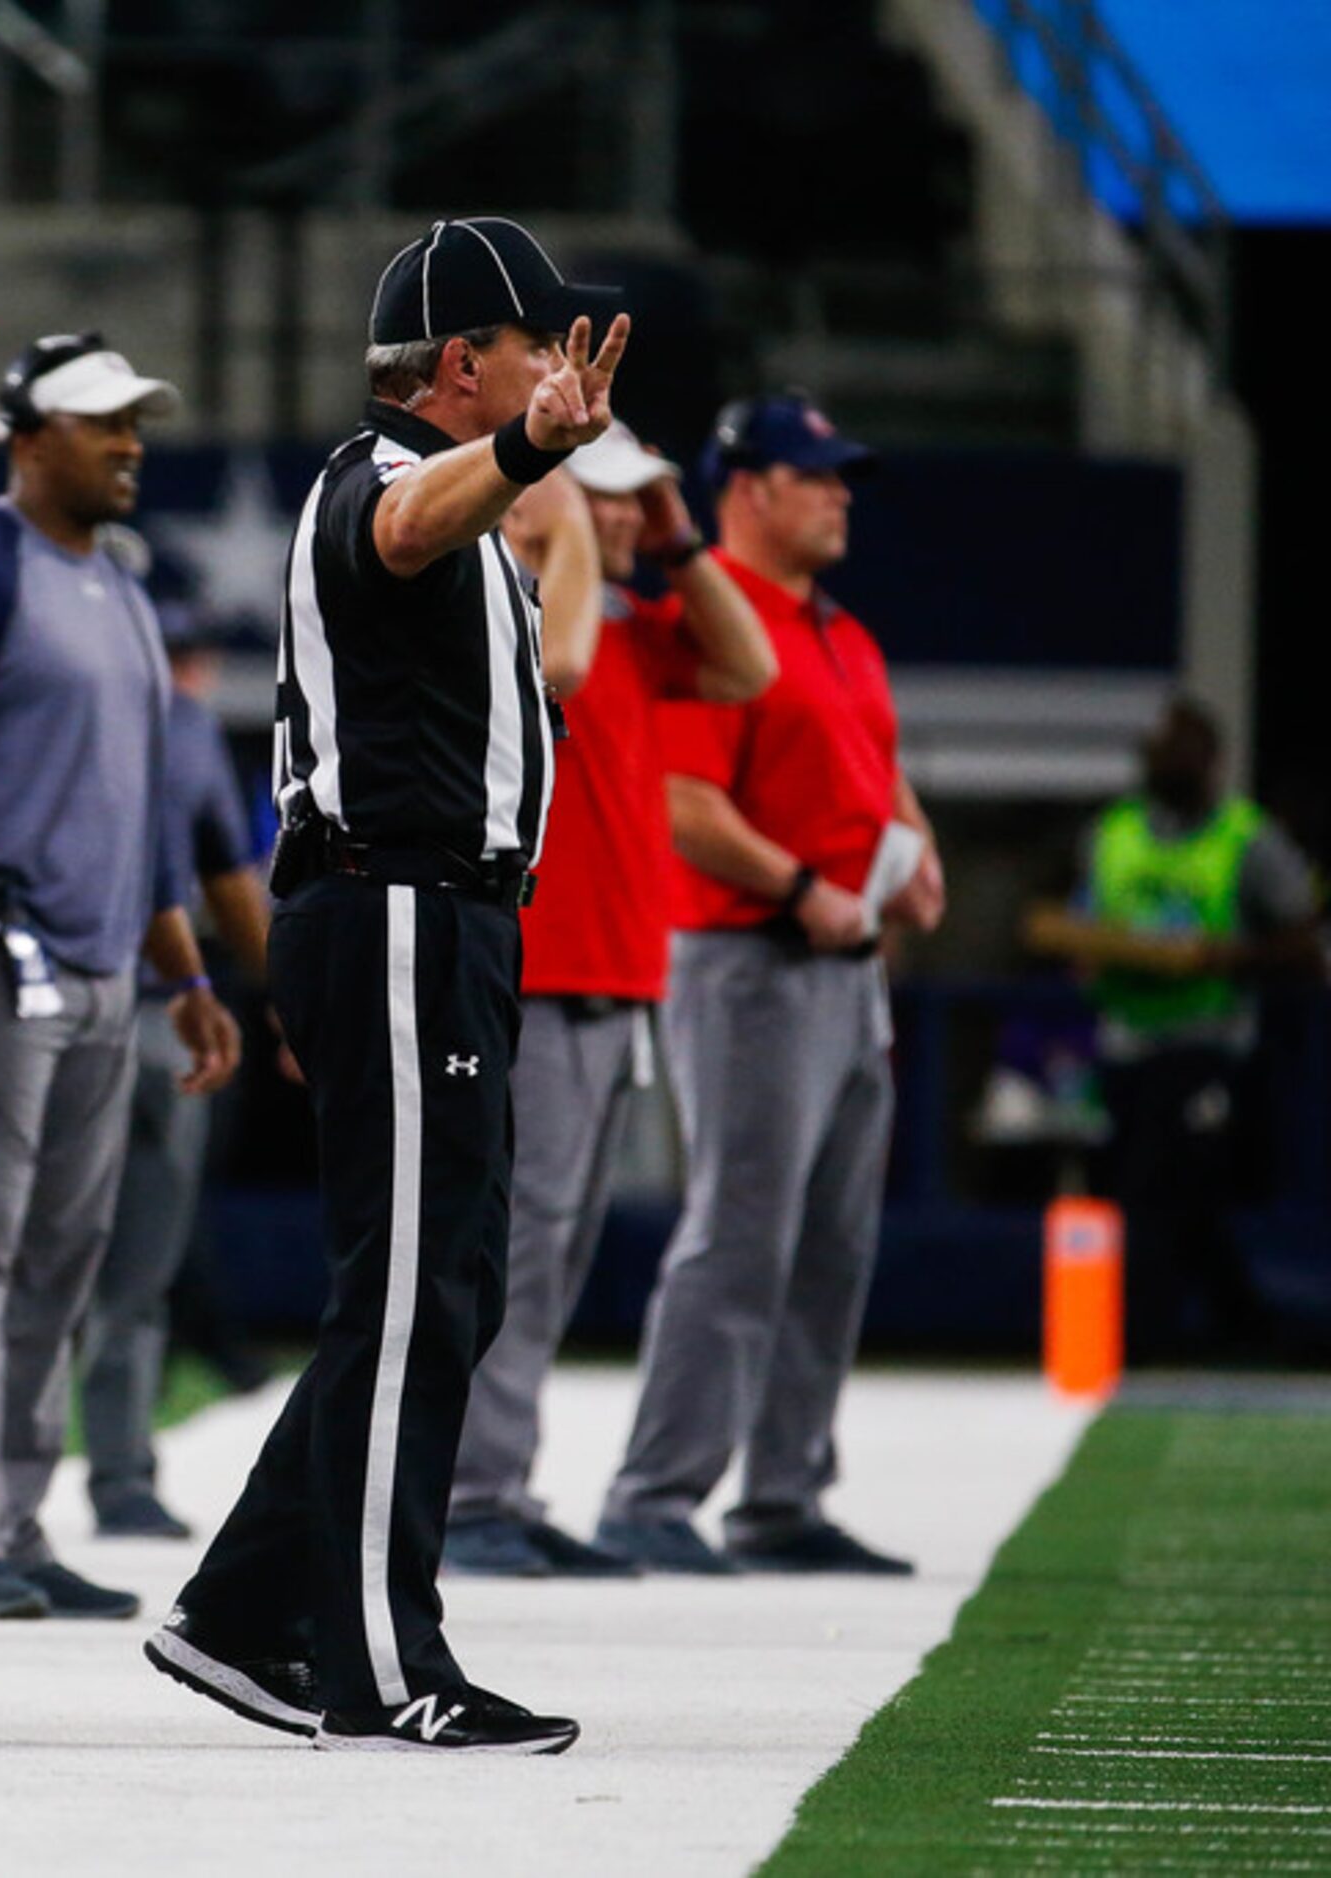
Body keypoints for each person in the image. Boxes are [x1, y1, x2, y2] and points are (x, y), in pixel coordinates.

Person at [146, 216, 624, 1755]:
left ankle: (237, 1614)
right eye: (533, 343)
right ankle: (378, 1662)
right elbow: (407, 522)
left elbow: (538, 674)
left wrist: (558, 500)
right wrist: (538, 454)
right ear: (463, 364)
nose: (558, 362)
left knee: (438, 1289)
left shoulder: (474, 522)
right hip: (401, 909)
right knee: (416, 1290)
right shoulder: (379, 484)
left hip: (439, 917)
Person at [0, 332, 240, 1620]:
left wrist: (183, 974)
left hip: (102, 973)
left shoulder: (122, 589)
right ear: (25, 437)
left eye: (134, 421)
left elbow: (137, 809)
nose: (128, 442)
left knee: (57, 1258)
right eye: (100, 423)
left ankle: (15, 1526)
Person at [593, 392, 941, 1577]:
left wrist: (916, 847)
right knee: (738, 1234)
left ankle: (780, 1496)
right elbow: (683, 804)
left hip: (843, 975)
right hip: (748, 959)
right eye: (816, 475)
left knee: (832, 1242)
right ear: (745, 490)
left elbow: (876, 772)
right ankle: (652, 1492)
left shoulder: (839, 631)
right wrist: (798, 888)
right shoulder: (714, 625)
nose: (840, 493)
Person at [445, 424, 775, 1578]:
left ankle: (499, 1483)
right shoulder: (502, 602)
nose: (632, 518)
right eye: (614, 501)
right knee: (510, 1252)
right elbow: (554, 667)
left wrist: (681, 545)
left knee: (552, 1256)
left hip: (611, 981)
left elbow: (748, 670)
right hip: (537, 974)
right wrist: (559, 517)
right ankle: (469, 1495)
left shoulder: (634, 626)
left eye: (642, 503)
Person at [1023, 699, 1323, 1363]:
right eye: (1156, 754)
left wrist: (1223, 956)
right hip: (1123, 1040)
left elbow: (1306, 947)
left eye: (1178, 753)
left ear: (1210, 761)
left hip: (1207, 1042)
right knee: (1167, 1196)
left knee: (1156, 1187)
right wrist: (1087, 945)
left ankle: (1144, 1343)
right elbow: (1073, 917)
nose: (1163, 765)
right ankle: (1251, 1325)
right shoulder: (1115, 832)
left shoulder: (1247, 838)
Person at [80, 617, 273, 1541]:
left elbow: (227, 870)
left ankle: (121, 1476)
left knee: (146, 1259)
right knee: (20, 1256)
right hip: (52, 995)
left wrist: (278, 993)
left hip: (166, 998)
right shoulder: (55, 708)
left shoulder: (190, 730)